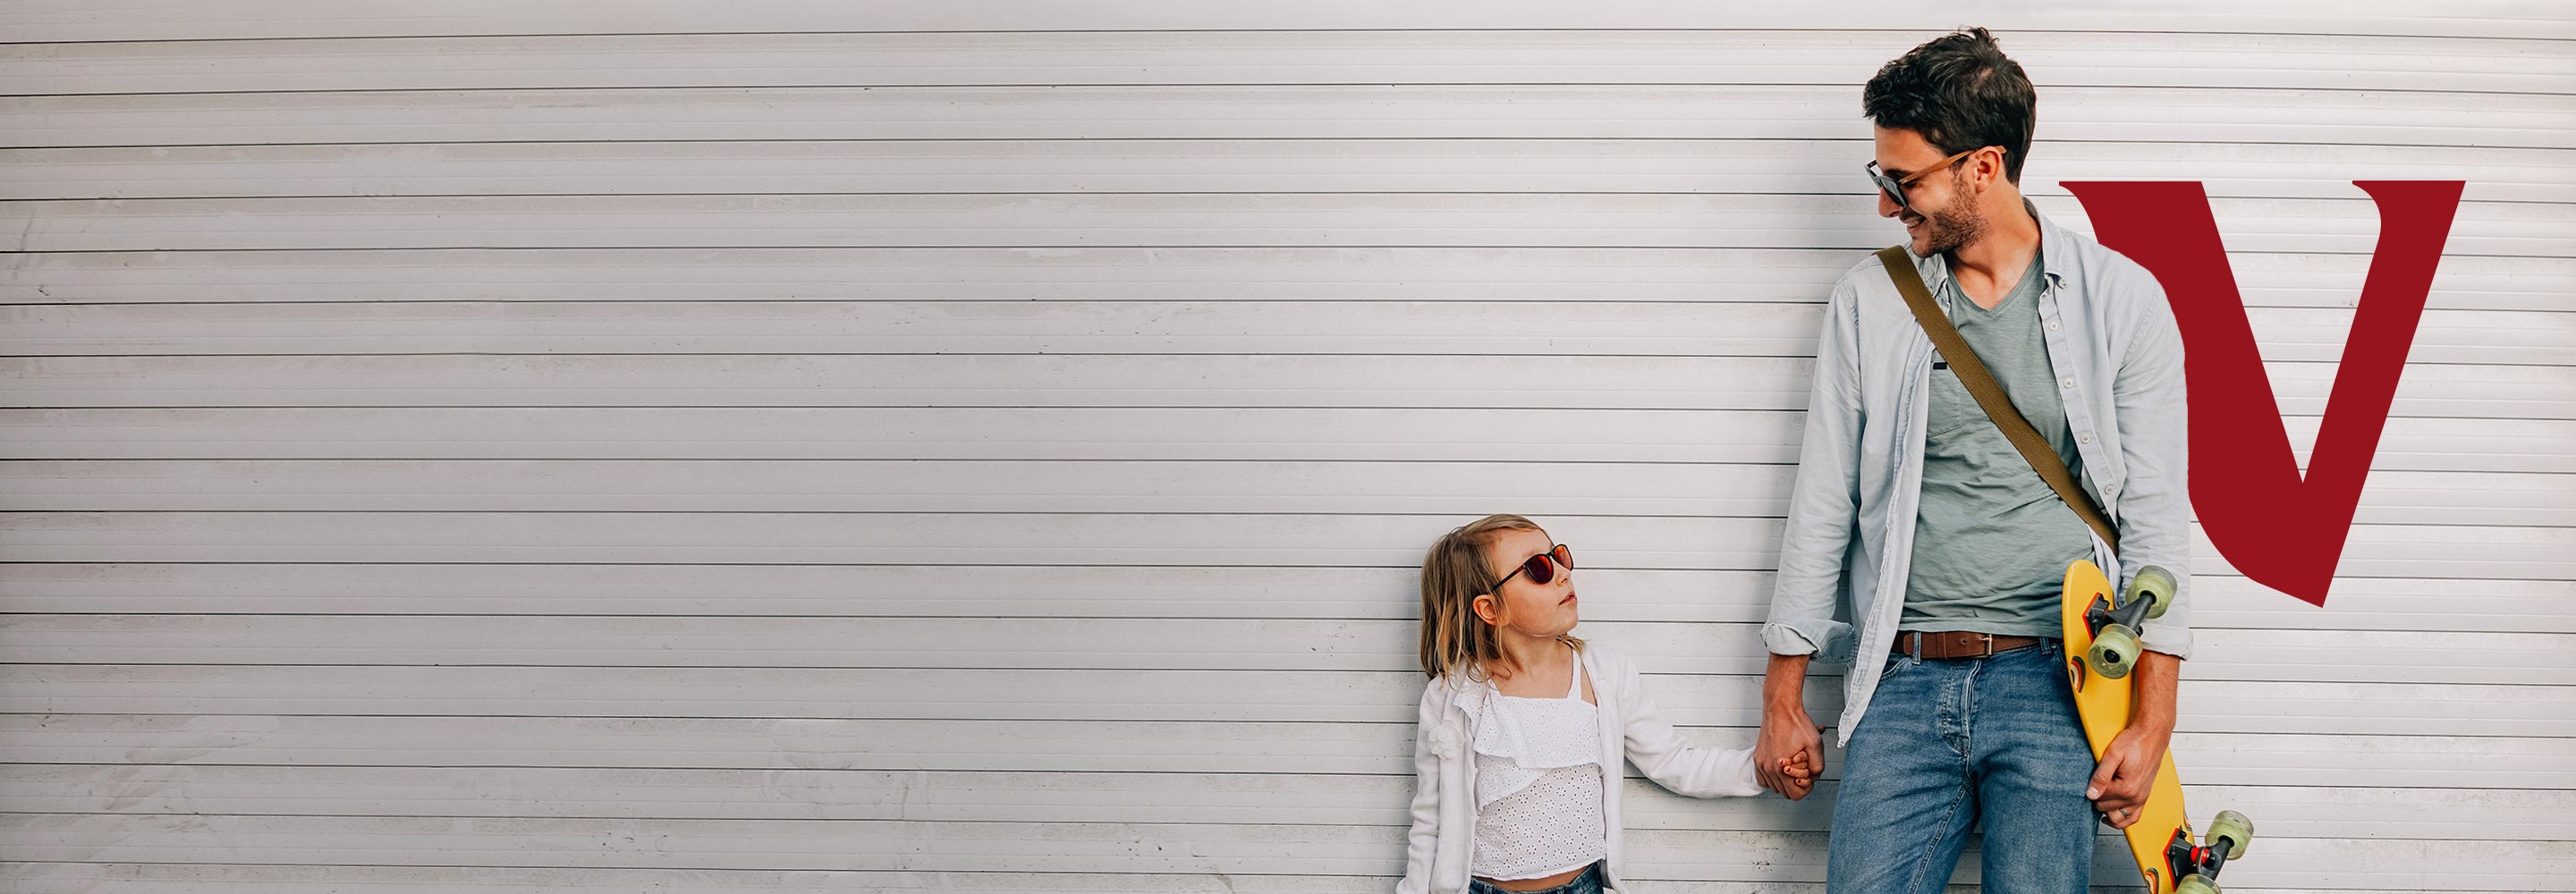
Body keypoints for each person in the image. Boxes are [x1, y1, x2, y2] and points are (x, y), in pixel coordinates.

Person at [1751, 28, 2196, 894]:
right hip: (1904, 677)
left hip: (2060, 684)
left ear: (1983, 166)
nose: (1886, 203)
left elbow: (2155, 516)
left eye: (1904, 179)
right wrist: (1783, 699)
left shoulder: (2122, 300)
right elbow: (1822, 503)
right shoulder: (1870, 302)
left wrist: (2152, 724)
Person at [1397, 514, 1805, 894]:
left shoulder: (1605, 674)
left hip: (1582, 886)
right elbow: (1431, 817)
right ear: (1490, 609)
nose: (1562, 574)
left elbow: (1674, 761)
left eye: (1558, 557)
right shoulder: (1452, 696)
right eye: (1537, 568)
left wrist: (1764, 769)